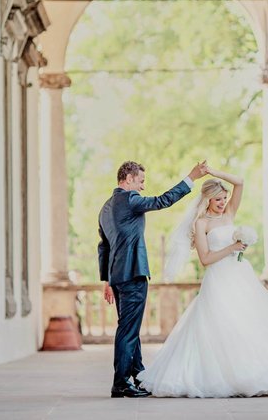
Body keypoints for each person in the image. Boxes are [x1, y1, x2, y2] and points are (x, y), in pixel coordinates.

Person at [137, 166, 268, 397]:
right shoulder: (201, 223)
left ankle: (257, 374)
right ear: (207, 200)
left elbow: (240, 182)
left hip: (240, 274)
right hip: (218, 278)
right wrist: (232, 247)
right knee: (222, 324)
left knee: (249, 322)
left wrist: (213, 172)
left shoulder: (229, 214)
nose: (223, 202)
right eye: (218, 199)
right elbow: (205, 259)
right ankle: (225, 378)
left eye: (224, 198)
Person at [98, 160, 208, 398]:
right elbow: (162, 201)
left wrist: (107, 280)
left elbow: (104, 248)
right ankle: (121, 383)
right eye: (140, 181)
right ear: (128, 179)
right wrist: (190, 177)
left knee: (130, 328)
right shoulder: (129, 199)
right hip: (133, 273)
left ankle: (139, 376)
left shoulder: (105, 208)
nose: (142, 187)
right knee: (128, 330)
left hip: (118, 277)